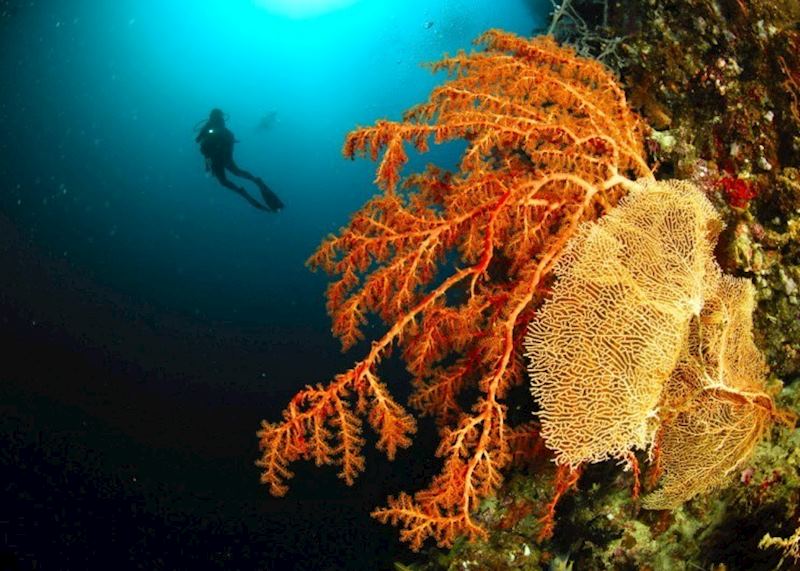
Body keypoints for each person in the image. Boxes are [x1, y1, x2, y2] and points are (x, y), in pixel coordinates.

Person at [195, 108, 284, 212]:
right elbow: (200, 140)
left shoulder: (215, 127)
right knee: (233, 175)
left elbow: (199, 140)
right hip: (219, 158)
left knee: (230, 177)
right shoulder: (213, 127)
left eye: (215, 117)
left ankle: (245, 189)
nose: (214, 119)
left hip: (219, 158)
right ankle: (251, 184)